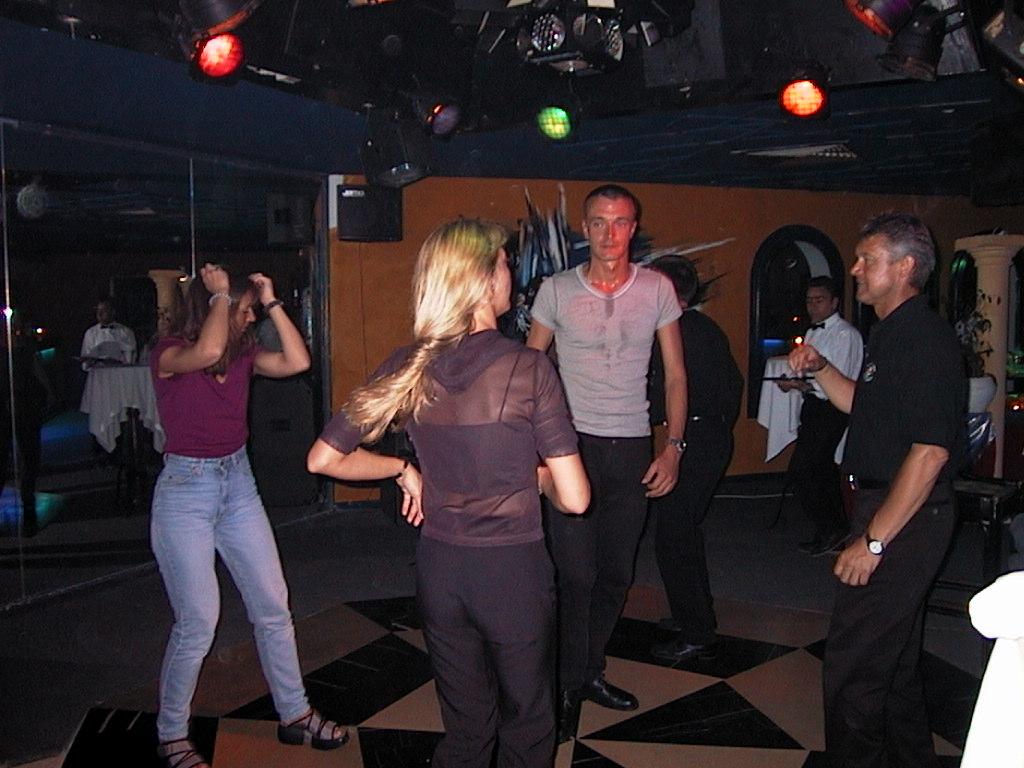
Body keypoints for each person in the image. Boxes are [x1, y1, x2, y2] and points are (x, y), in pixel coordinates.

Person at [307, 218, 590, 768]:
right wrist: (533, 477)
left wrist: (400, 469)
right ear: (483, 279)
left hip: (440, 571)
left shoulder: (407, 365)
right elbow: (575, 499)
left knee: (465, 730)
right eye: (505, 264)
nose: (511, 274)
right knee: (528, 727)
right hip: (512, 573)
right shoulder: (528, 367)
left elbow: (323, 458)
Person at [149, 264, 347, 768]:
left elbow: (298, 361)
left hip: (237, 484)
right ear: (214, 307)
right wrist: (221, 295)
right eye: (245, 311)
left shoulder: (244, 355)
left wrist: (273, 301)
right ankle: (171, 733)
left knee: (273, 606)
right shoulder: (169, 353)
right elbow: (207, 351)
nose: (250, 319)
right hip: (185, 493)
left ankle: (295, 712)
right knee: (198, 621)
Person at [789, 212, 964, 768]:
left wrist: (874, 542)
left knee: (853, 669)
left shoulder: (924, 339)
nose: (856, 269)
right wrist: (820, 366)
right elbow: (863, 407)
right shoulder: (890, 332)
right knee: (894, 665)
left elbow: (930, 453)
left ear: (905, 267)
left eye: (868, 259)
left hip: (905, 516)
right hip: (890, 508)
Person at [526, 184, 687, 737]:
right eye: (599, 222)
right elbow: (530, 369)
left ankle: (585, 671)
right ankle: (565, 682)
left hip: (632, 447)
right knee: (575, 574)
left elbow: (676, 375)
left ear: (633, 228)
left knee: (617, 574)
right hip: (571, 446)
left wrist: (674, 447)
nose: (610, 233)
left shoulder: (658, 288)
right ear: (585, 228)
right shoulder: (556, 290)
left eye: (620, 222)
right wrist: (535, 451)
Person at [645, 255, 742, 663]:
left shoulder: (676, 332)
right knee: (681, 531)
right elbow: (734, 385)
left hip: (694, 439)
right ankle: (694, 614)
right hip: (710, 436)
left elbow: (658, 394)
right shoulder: (704, 327)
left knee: (673, 535)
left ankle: (697, 631)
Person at [779, 276, 863, 556]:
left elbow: (841, 378)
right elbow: (807, 373)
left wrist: (803, 385)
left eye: (819, 300)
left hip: (833, 409)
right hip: (814, 407)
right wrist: (792, 381)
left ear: (834, 302)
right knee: (818, 470)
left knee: (807, 469)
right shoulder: (812, 333)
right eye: (809, 301)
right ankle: (832, 530)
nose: (813, 306)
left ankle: (834, 528)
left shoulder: (846, 335)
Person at [0, 310, 56, 537]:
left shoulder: (26, 349)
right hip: (8, 407)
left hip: (26, 406)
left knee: (30, 458)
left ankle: (29, 510)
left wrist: (48, 393)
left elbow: (36, 370)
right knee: (8, 460)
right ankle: (28, 511)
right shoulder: (16, 350)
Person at [80, 298, 136, 368]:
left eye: (104, 310)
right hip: (98, 372)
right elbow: (85, 360)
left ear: (113, 312)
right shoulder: (90, 333)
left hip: (119, 372)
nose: (99, 314)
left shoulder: (126, 332)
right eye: (98, 310)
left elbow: (131, 359)